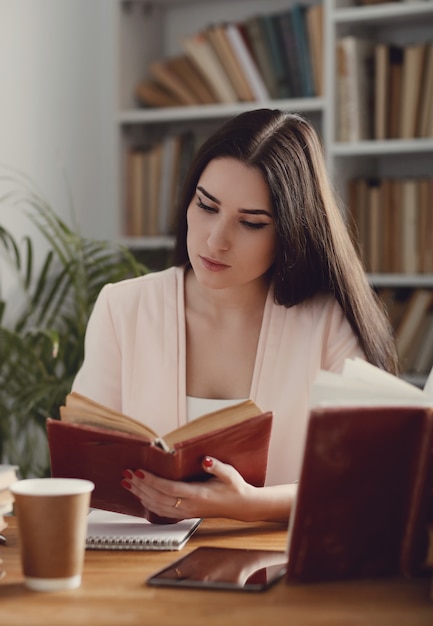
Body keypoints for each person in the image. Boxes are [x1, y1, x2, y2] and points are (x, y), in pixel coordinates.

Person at [72, 109, 398, 523]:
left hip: (275, 569)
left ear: (290, 233)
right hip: (138, 569)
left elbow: (378, 478)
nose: (215, 240)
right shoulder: (123, 308)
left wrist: (250, 505)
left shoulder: (325, 322)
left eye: (250, 223)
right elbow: (84, 475)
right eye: (207, 206)